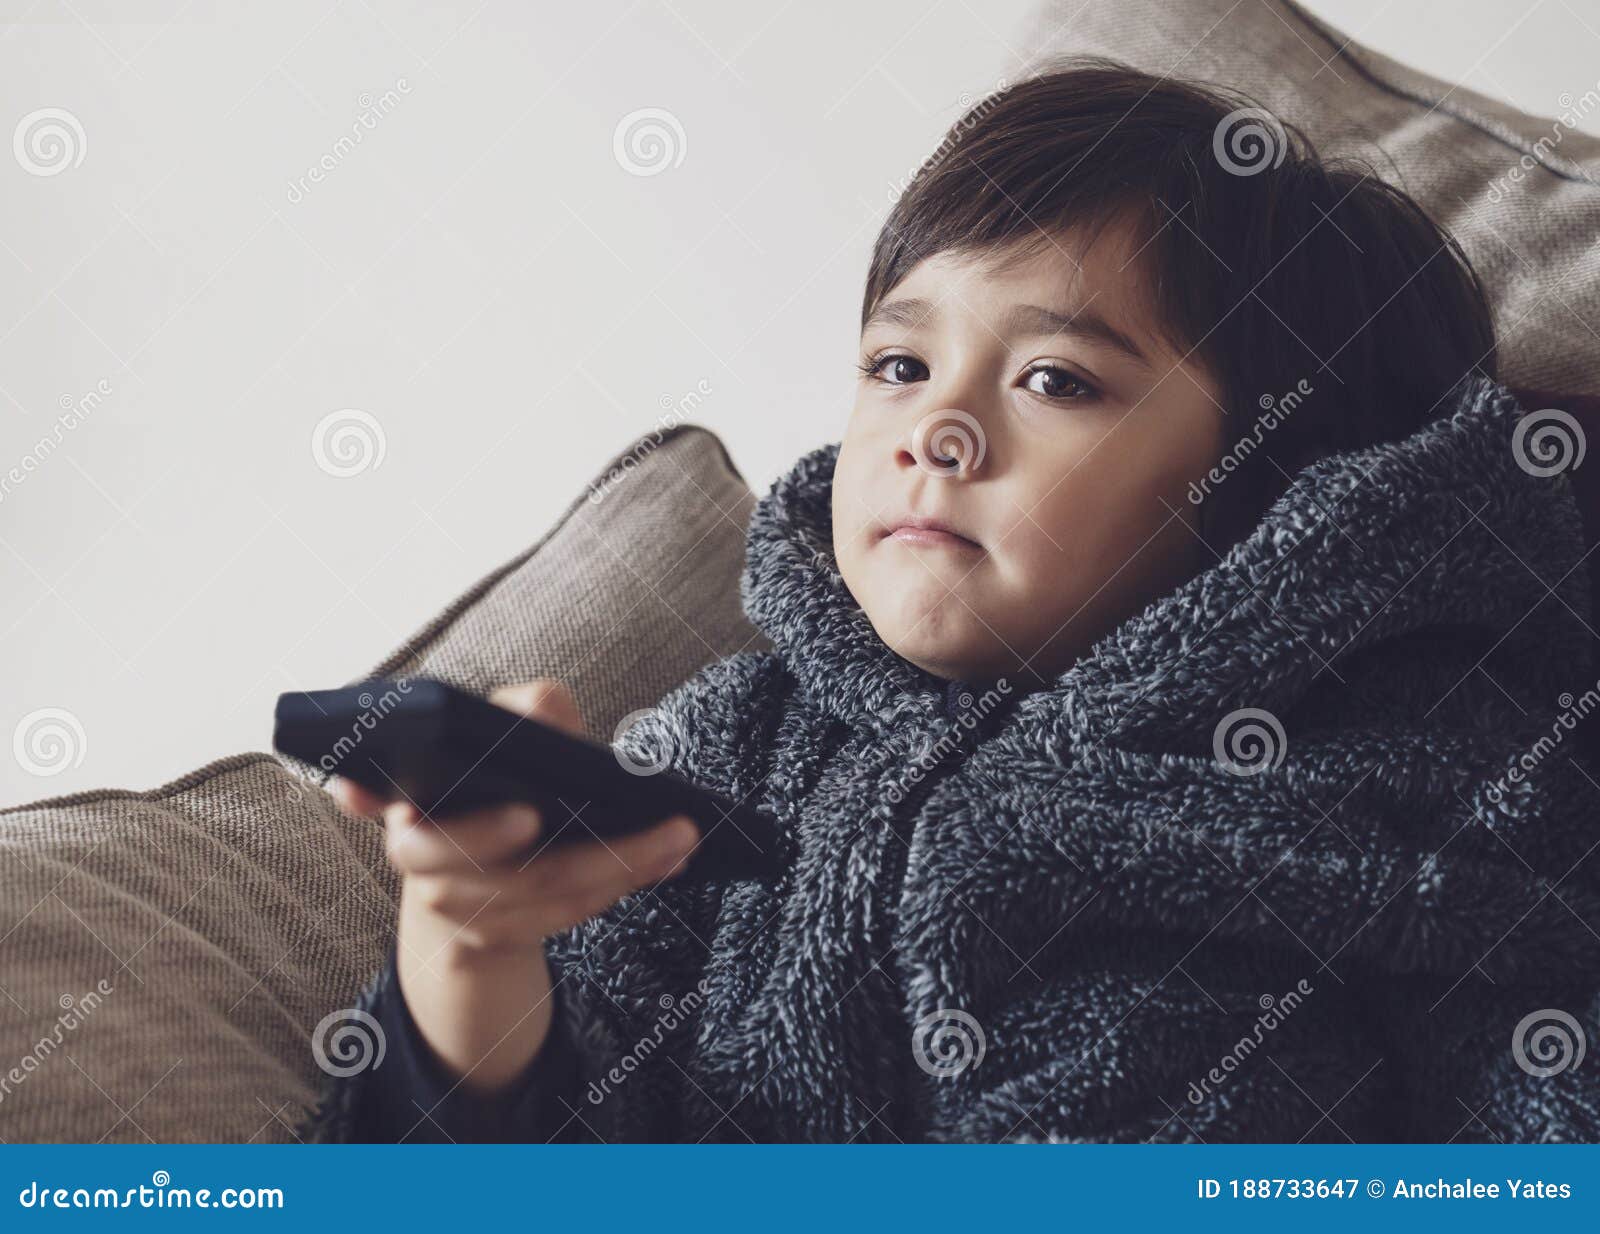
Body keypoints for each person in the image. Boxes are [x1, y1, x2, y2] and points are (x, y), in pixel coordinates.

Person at [297, 59, 1600, 1143]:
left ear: (1279, 488)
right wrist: (470, 957)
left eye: (1056, 381)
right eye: (901, 361)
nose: (940, 429)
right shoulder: (738, 743)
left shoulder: (1417, 774)